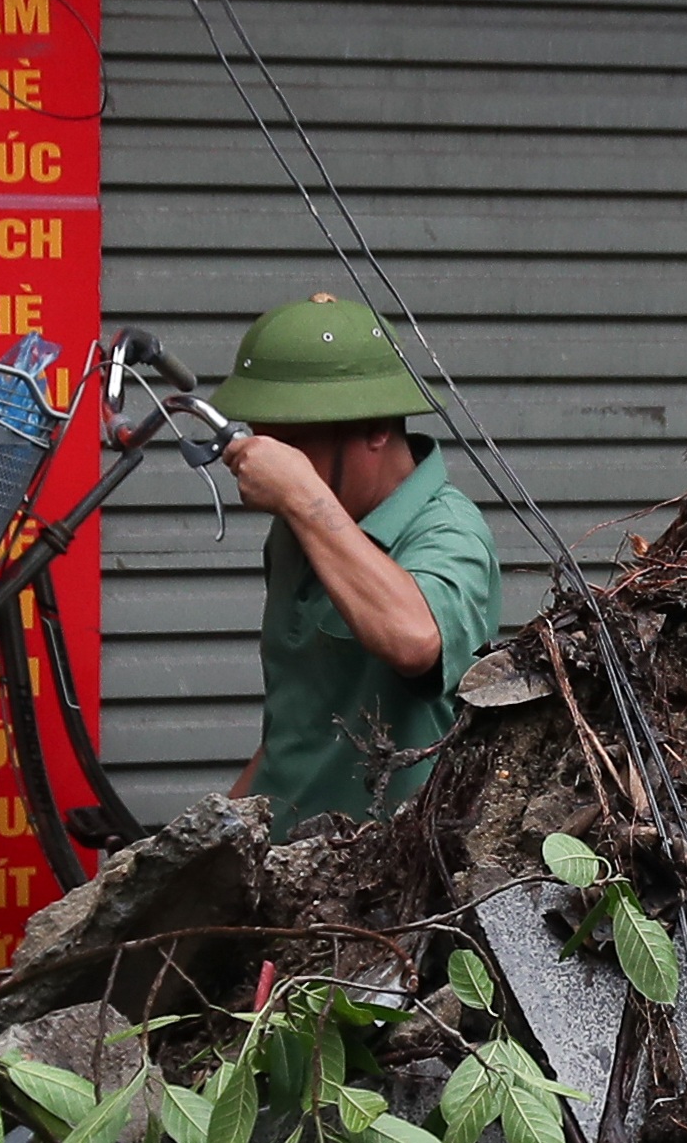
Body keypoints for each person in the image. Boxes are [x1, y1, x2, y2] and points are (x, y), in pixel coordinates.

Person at [211, 292, 505, 827]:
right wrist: (216, 837)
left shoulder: (448, 530)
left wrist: (303, 497)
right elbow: (300, 730)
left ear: (375, 429)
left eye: (293, 444)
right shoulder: (298, 529)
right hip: (285, 863)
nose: (270, 464)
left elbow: (415, 639)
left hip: (382, 881)